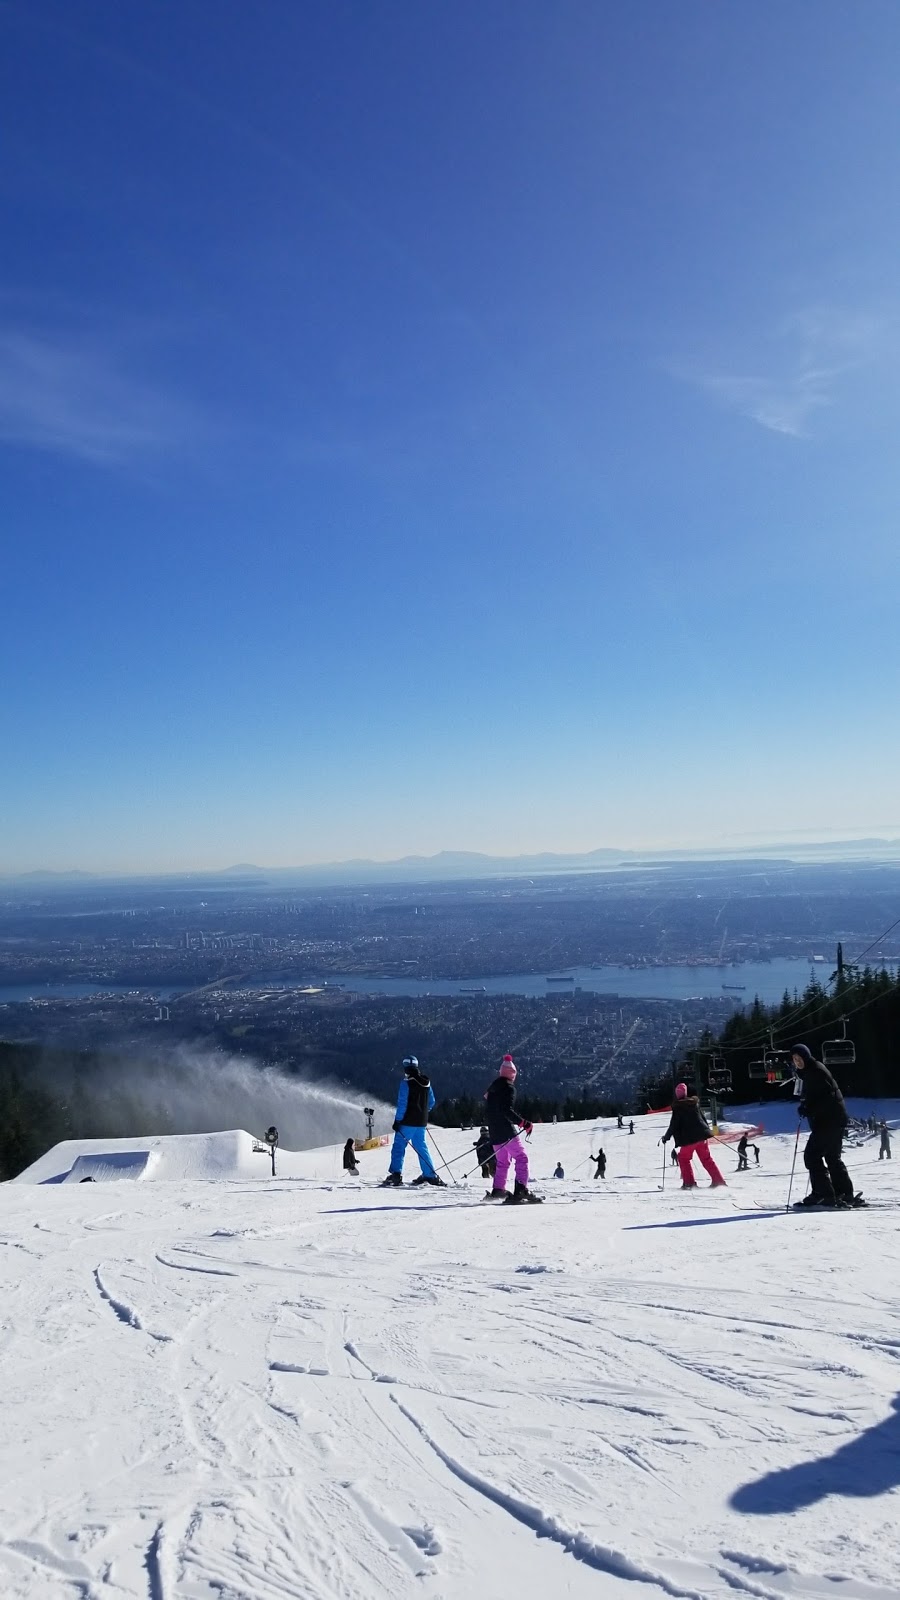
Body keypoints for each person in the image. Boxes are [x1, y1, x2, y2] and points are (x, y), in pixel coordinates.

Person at [791, 1043, 855, 1207]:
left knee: (812, 1156)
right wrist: (806, 1106)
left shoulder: (815, 1071)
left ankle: (823, 1194)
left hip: (829, 1121)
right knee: (832, 1157)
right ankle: (843, 1192)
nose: (797, 1062)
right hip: (833, 1119)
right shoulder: (810, 1071)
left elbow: (828, 1097)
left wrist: (809, 1109)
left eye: (799, 1058)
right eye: (794, 1059)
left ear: (806, 1056)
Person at [483, 1055, 540, 1203]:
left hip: (494, 1131)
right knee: (521, 1157)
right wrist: (524, 1123)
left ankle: (498, 1189)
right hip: (505, 1130)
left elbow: (492, 1109)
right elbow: (506, 1110)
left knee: (503, 1161)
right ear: (512, 1074)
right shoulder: (509, 1088)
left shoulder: (493, 1087)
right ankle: (521, 1189)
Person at [382, 1057, 445, 1187]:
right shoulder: (427, 1083)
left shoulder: (406, 1083)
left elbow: (402, 1104)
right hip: (421, 1122)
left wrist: (398, 1121)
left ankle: (396, 1174)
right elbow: (431, 1102)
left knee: (399, 1147)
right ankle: (430, 1175)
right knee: (421, 1147)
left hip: (406, 1121)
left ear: (405, 1068)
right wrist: (422, 1111)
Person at [661, 1084, 726, 1189]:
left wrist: (666, 1137)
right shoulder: (694, 1104)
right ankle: (718, 1181)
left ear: (677, 1095)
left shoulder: (678, 1107)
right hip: (702, 1137)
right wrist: (707, 1132)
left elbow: (674, 1125)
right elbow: (702, 1119)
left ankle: (689, 1183)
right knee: (706, 1159)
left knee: (683, 1158)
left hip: (689, 1140)